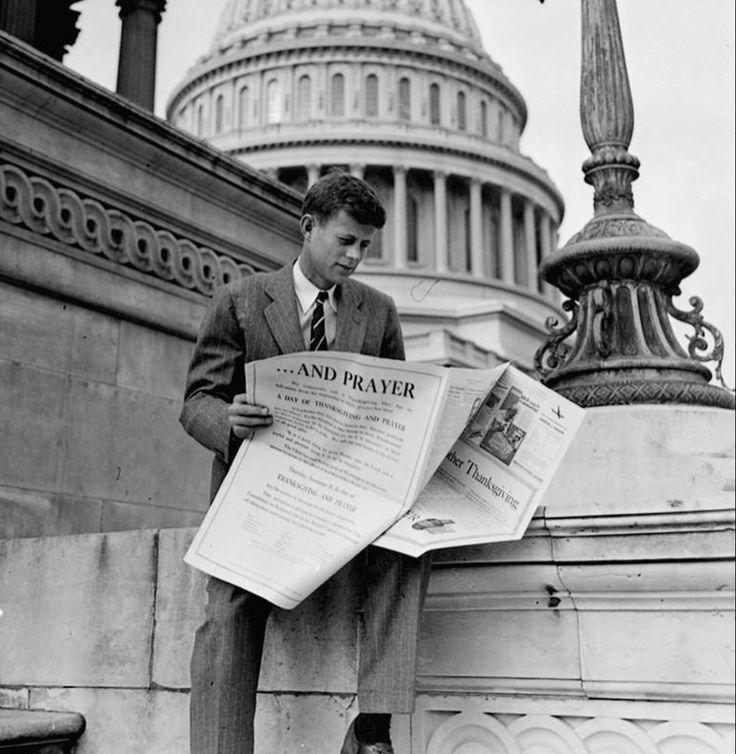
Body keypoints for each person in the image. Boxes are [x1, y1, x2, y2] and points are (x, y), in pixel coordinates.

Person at [180, 171, 431, 754]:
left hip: (346, 500)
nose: (355, 257)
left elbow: (394, 412)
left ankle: (374, 731)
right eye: (345, 241)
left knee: (410, 547)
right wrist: (229, 422)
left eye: (365, 245)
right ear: (308, 227)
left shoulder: (379, 312)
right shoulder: (241, 302)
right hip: (262, 503)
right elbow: (196, 403)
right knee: (229, 610)